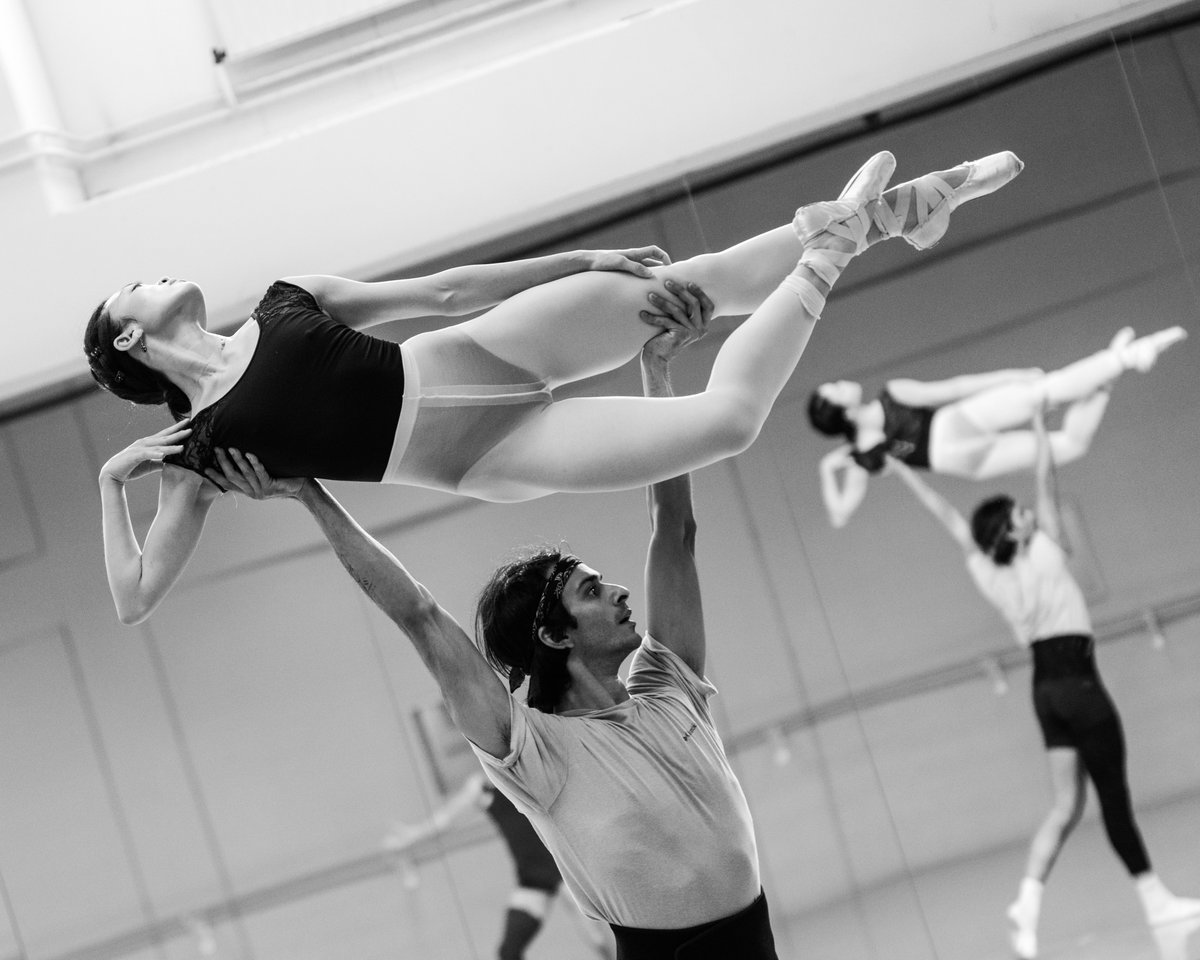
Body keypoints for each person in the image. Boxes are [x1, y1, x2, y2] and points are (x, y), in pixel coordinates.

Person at [87, 149, 1024, 623]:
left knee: (699, 286)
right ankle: (843, 236)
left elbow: (445, 290)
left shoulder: (288, 300)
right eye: (141, 281)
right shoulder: (194, 454)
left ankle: (906, 208)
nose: (161, 271)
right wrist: (108, 485)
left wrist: (583, 256)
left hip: (490, 349)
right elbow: (132, 597)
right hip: (488, 456)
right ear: (130, 334)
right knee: (727, 424)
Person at [210, 295, 784, 958]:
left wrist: (657, 371)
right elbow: (418, 615)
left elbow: (674, 532)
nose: (623, 592)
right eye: (593, 591)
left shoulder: (670, 684)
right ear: (555, 634)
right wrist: (308, 493)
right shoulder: (531, 752)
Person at [889, 407, 1200, 959]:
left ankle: (1026, 905)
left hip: (1044, 692)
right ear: (1014, 528)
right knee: (1113, 799)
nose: (1031, 513)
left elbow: (947, 518)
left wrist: (904, 472)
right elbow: (1046, 480)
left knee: (1065, 804)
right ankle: (1156, 901)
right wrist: (1038, 428)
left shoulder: (991, 571)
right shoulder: (1047, 551)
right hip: (1079, 682)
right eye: (1021, 513)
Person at [809, 324, 1187, 526]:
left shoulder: (861, 458)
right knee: (1048, 391)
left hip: (959, 464)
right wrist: (1012, 374)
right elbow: (955, 387)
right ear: (839, 408)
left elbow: (840, 515)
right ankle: (1127, 356)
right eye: (836, 389)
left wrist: (828, 471)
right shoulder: (891, 395)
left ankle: (1110, 371)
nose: (843, 383)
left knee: (1071, 446)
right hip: (952, 428)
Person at [384, 769, 616, 960]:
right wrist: (412, 836)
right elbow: (445, 821)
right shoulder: (480, 786)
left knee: (598, 939)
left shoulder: (524, 769)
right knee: (508, 952)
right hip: (532, 877)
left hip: (562, 869)